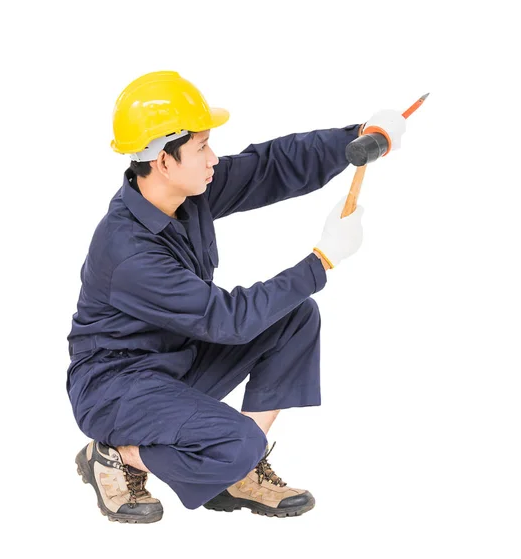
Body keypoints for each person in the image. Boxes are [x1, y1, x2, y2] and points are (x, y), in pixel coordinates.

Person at [67, 70, 406, 524]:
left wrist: (357, 138)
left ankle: (239, 473)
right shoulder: (127, 250)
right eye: (202, 146)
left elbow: (269, 166)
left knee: (293, 316)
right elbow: (228, 320)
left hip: (176, 363)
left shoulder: (186, 193)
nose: (214, 158)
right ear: (164, 160)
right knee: (240, 440)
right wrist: (321, 260)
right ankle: (118, 454)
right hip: (117, 388)